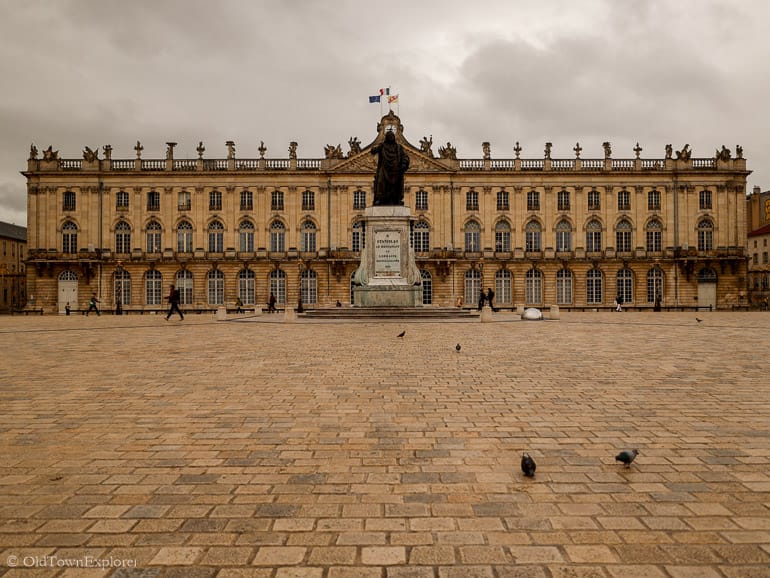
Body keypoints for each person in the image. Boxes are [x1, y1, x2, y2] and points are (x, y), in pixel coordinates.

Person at [371, 130, 410, 206]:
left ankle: (394, 199)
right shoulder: (382, 146)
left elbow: (405, 156)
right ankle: (381, 199)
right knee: (381, 183)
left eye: (392, 136)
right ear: (386, 138)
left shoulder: (398, 147)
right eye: (389, 136)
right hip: (384, 168)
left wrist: (404, 163)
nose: (391, 137)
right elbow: (373, 151)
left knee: (394, 186)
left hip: (395, 170)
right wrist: (374, 149)